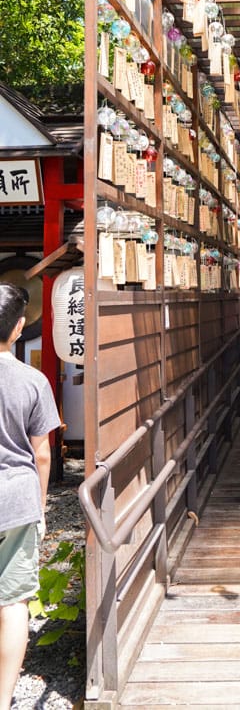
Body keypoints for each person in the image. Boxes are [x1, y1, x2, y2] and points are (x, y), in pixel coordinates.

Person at [0, 283, 61, 710]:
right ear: (19, 327)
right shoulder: (32, 380)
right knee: (13, 600)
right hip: (16, 498)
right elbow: (42, 452)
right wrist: (41, 507)